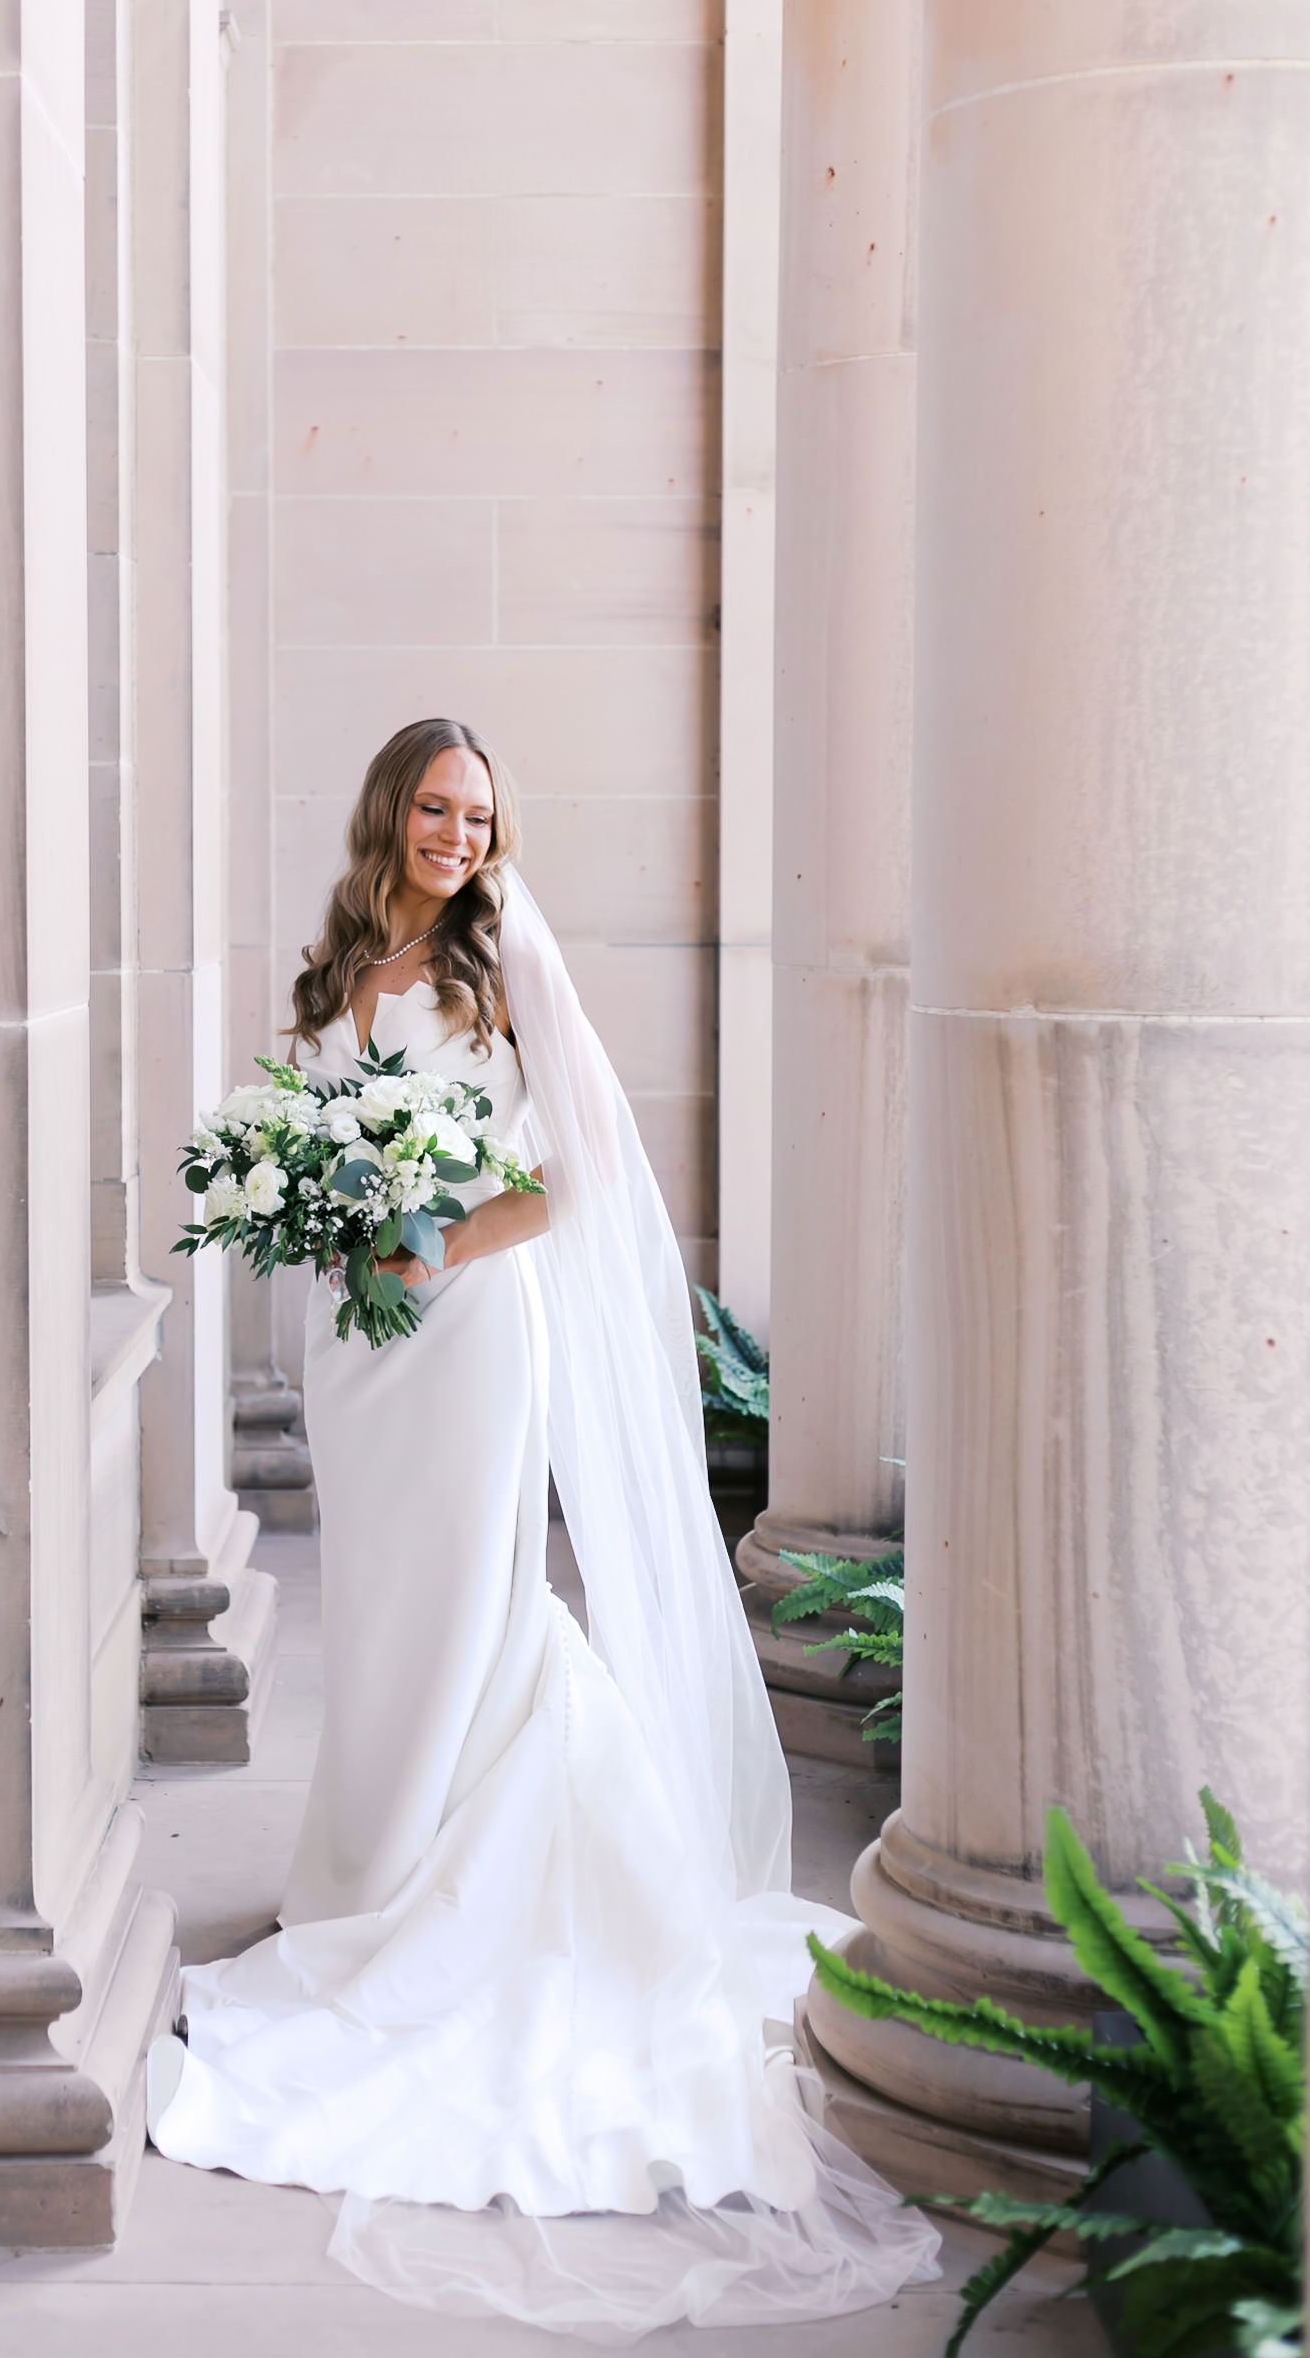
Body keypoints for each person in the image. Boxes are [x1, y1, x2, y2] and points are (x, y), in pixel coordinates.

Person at [148, 719, 938, 2335]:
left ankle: (442, 1883)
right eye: (433, 807)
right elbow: (316, 1158)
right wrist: (320, 1217)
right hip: (360, 1359)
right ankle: (366, 1863)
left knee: (464, 1608)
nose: (454, 832)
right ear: (390, 810)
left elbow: (571, 1180)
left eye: (478, 813)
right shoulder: (337, 975)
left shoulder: (496, 967)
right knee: (378, 1613)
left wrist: (434, 1245)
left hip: (463, 1341)